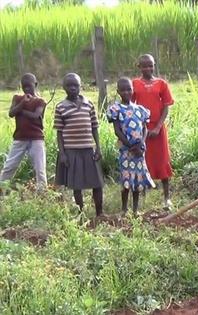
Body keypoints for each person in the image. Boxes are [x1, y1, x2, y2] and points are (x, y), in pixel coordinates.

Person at [54, 73, 104, 216]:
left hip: (89, 149)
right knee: (77, 185)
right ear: (64, 87)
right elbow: (59, 132)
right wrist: (62, 153)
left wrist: (98, 148)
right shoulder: (61, 107)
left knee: (97, 183)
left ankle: (100, 213)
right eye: (69, 85)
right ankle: (80, 213)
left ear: (80, 86)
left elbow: (94, 127)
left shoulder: (88, 104)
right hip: (71, 150)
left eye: (75, 85)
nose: (73, 88)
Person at [107, 78, 156, 214]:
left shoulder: (140, 110)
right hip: (126, 150)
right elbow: (117, 131)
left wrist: (142, 143)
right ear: (118, 92)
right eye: (123, 90)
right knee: (126, 179)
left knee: (137, 180)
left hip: (139, 151)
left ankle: (135, 210)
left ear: (132, 90)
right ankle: (124, 209)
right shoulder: (116, 109)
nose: (126, 92)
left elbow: (145, 128)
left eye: (129, 89)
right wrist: (130, 146)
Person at [132, 54, 175, 209]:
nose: (148, 69)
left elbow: (166, 107)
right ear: (139, 67)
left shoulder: (161, 84)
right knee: (143, 160)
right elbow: (131, 107)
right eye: (144, 66)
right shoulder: (135, 84)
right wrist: (139, 127)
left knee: (162, 160)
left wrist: (157, 127)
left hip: (158, 129)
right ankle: (143, 196)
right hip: (140, 129)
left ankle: (166, 198)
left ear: (154, 65)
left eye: (150, 65)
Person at [0, 73, 47, 191]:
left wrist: (20, 111)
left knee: (40, 170)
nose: (26, 89)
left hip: (36, 139)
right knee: (9, 167)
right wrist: (22, 104)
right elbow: (11, 113)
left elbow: (36, 116)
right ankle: (1, 190)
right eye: (24, 87)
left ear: (35, 85)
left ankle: (42, 195)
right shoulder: (17, 98)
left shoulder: (40, 101)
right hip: (20, 138)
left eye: (29, 86)